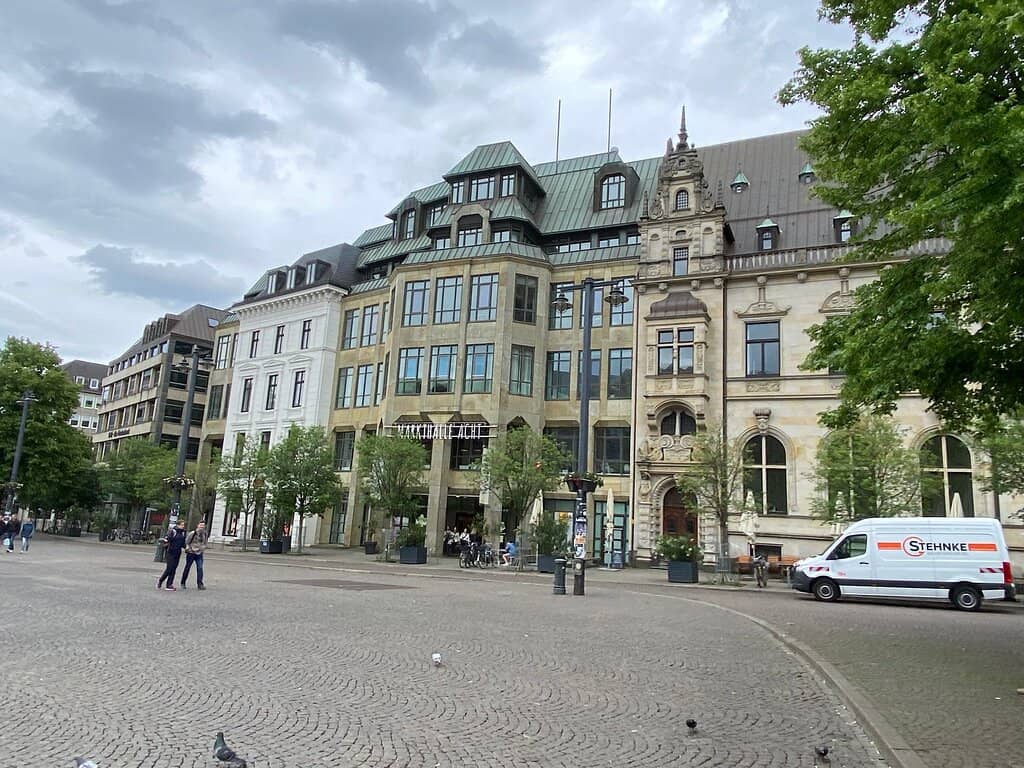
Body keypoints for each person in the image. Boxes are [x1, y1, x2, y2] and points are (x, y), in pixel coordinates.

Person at [157, 519, 187, 591]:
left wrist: (187, 548)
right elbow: (167, 539)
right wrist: (165, 541)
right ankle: (161, 580)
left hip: (178, 553)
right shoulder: (173, 531)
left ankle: (169, 584)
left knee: (174, 569)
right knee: (169, 568)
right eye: (182, 525)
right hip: (170, 552)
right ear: (178, 525)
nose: (183, 526)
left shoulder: (183, 533)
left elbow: (182, 543)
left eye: (183, 525)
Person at [180, 520, 208, 590]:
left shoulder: (204, 534)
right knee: (187, 567)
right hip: (191, 553)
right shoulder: (192, 533)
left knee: (200, 568)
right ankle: (183, 582)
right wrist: (188, 548)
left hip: (199, 553)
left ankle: (200, 584)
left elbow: (205, 542)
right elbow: (187, 542)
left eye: (203, 526)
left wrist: (203, 548)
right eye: (201, 525)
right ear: (198, 525)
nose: (202, 527)